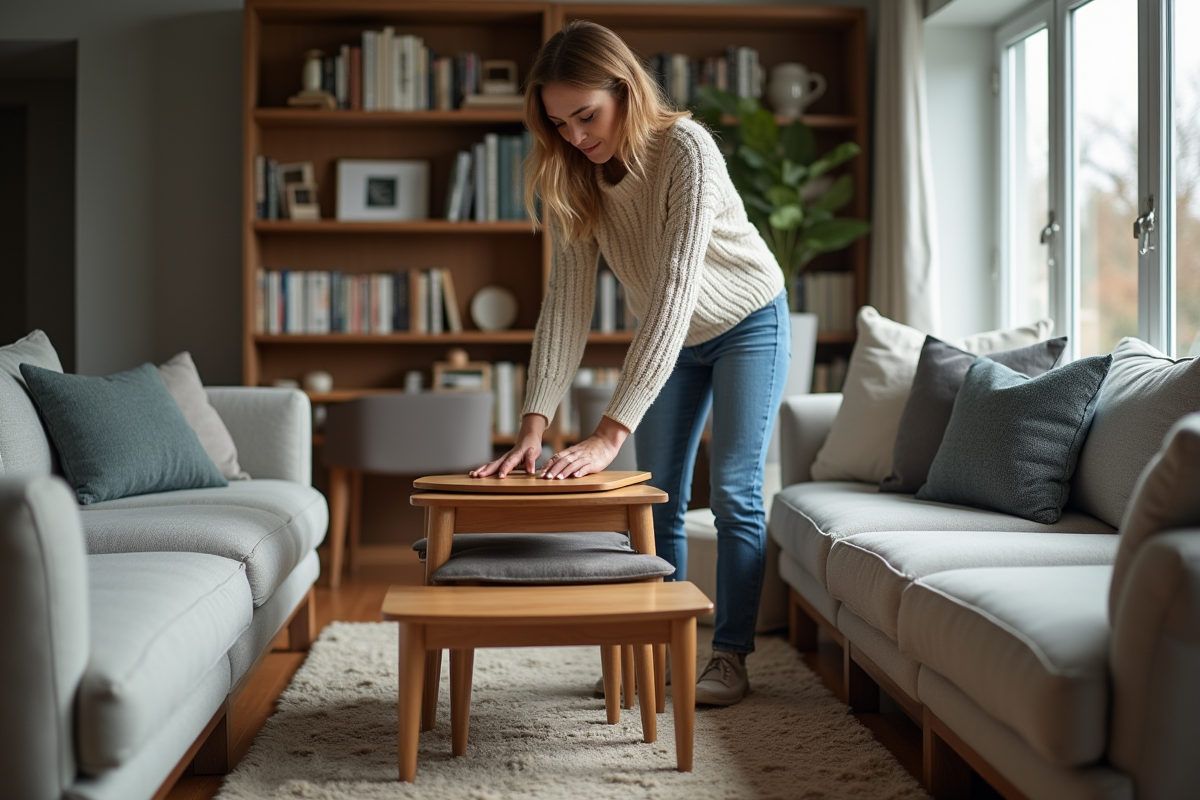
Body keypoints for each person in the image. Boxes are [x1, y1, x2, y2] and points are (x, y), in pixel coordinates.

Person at [469, 20, 790, 707]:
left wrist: (608, 433)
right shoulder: (575, 173)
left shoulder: (687, 149)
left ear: (625, 89)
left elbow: (676, 286)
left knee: (733, 492)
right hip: (670, 337)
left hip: (745, 322)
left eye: (587, 116)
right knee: (657, 497)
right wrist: (534, 422)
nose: (577, 136)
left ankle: (729, 655)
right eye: (559, 123)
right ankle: (659, 646)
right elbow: (566, 303)